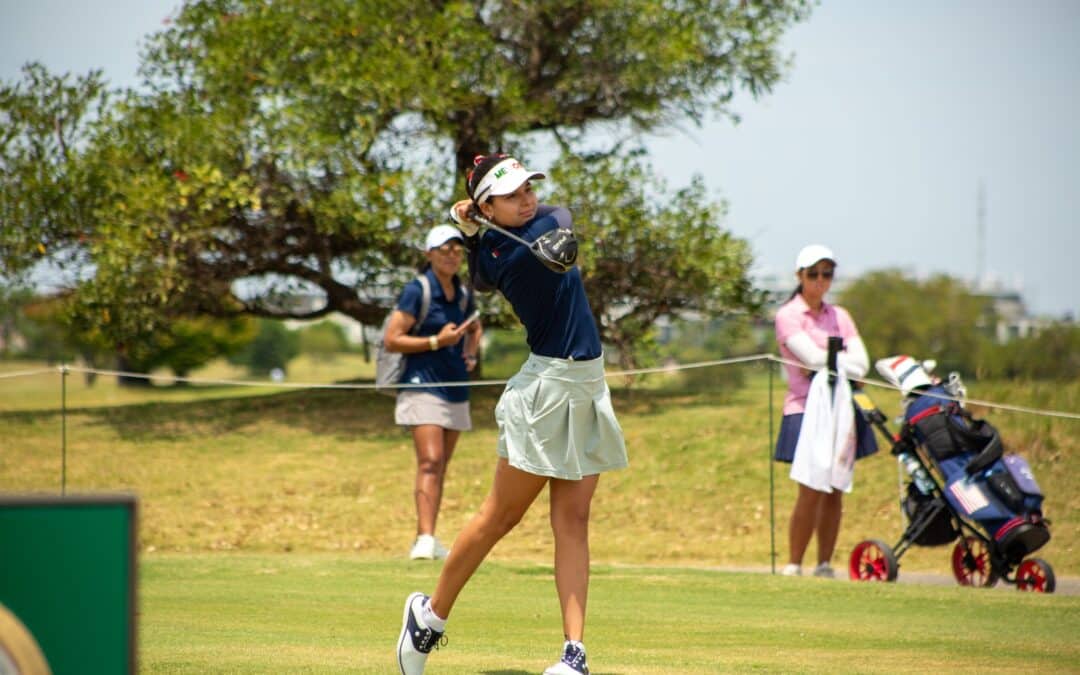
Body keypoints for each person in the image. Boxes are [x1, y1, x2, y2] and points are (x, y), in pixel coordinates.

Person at [395, 154, 627, 675]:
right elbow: (489, 270)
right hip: (546, 390)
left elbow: (560, 216)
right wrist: (475, 233)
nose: (528, 199)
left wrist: (469, 228)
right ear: (489, 207)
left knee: (574, 520)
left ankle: (574, 655)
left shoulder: (532, 228)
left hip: (587, 386)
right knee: (503, 516)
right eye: (513, 195)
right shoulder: (507, 257)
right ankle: (428, 616)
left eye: (529, 188)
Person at [773, 244, 877, 578]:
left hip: (841, 408)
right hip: (804, 408)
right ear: (799, 276)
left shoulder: (840, 316)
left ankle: (824, 564)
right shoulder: (788, 315)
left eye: (827, 274)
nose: (821, 280)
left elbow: (862, 365)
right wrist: (833, 361)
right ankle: (794, 563)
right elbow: (813, 360)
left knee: (835, 487)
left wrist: (832, 362)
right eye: (813, 274)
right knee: (811, 486)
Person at [383, 224, 482, 561]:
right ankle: (424, 538)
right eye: (444, 249)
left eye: (457, 249)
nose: (452, 254)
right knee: (431, 460)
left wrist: (470, 351)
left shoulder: (464, 293)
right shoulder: (417, 290)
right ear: (429, 254)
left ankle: (427, 537)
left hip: (455, 386)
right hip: (420, 383)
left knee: (441, 466)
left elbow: (475, 325)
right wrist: (437, 341)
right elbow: (393, 338)